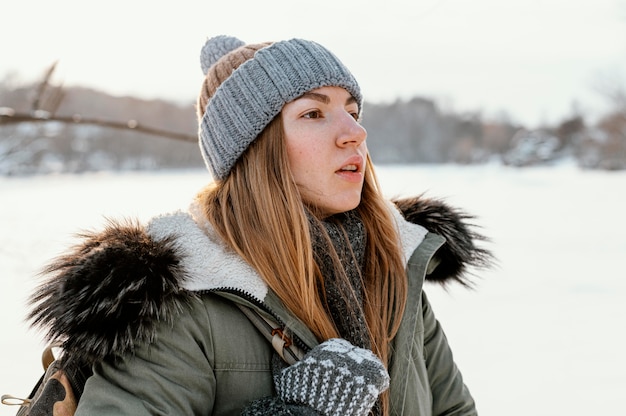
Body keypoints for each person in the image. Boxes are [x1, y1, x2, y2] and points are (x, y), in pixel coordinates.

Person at [26, 35, 492, 415]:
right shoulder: (184, 303)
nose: (354, 131)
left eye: (352, 109)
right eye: (314, 113)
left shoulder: (395, 270)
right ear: (255, 151)